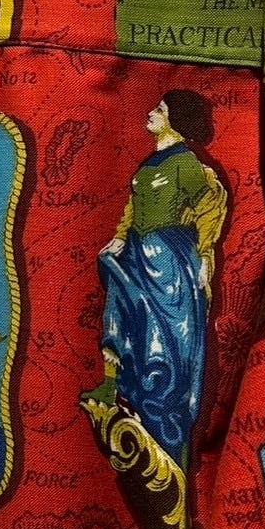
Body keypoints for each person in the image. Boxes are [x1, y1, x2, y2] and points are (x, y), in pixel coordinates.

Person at [87, 89, 227, 468]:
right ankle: (114, 385)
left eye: (159, 109)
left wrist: (204, 255)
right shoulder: (150, 162)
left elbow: (209, 206)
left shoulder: (185, 163)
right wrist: (120, 236)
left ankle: (164, 411)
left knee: (164, 333)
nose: (150, 112)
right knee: (122, 313)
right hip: (136, 250)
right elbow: (133, 207)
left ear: (175, 120)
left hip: (169, 258)